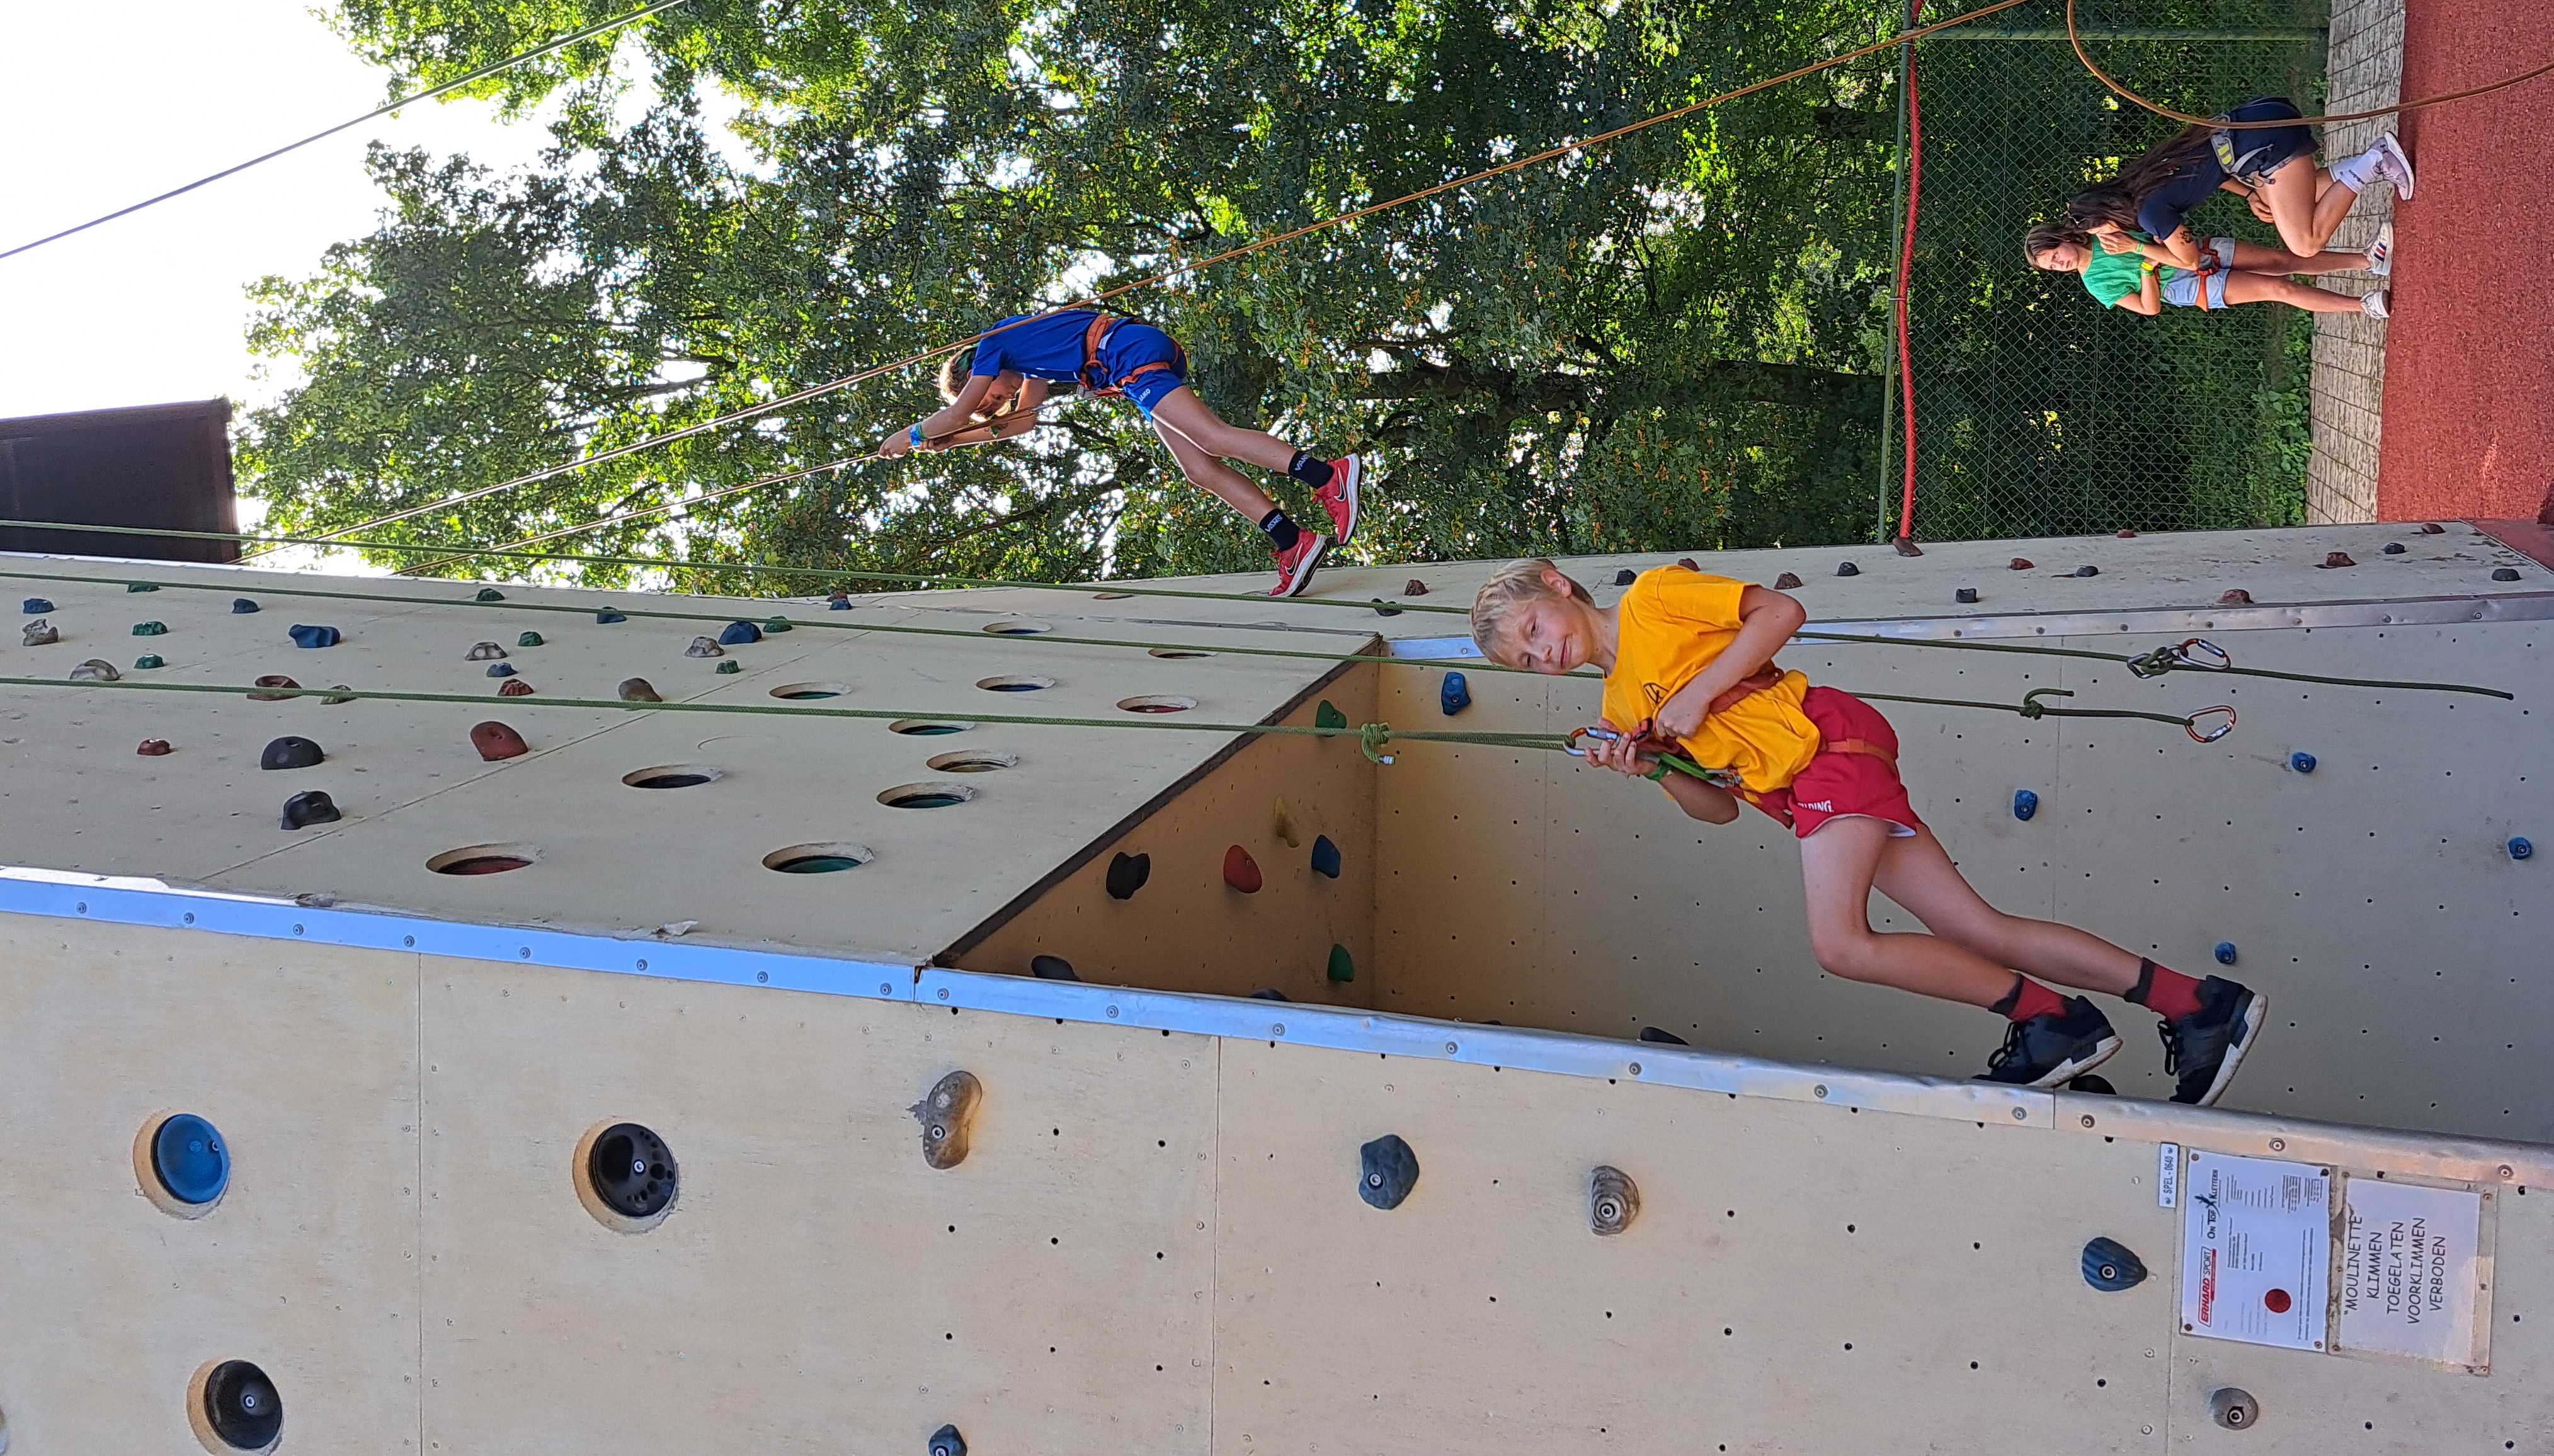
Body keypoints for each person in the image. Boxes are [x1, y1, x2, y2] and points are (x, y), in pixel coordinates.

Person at [1469, 559, 2271, 1103]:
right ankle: (2198, 1005)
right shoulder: (1617, 716)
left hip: (1826, 745)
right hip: (1802, 792)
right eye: (1528, 663)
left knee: (1841, 945)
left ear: (1556, 584)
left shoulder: (1650, 599)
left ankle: (2051, 1022)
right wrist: (1650, 769)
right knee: (1977, 927)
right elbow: (1713, 809)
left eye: (1534, 631)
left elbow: (1781, 611)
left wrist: (1699, 694)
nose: (1544, 654)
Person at [882, 305, 1363, 597]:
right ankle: (1291, 540)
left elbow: (958, 414)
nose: (1000, 400)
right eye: (996, 401)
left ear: (973, 374)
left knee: (1212, 435)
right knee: (1198, 465)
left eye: (990, 395)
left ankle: (1327, 477)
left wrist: (913, 437)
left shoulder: (990, 346)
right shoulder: (1024, 363)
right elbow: (1021, 424)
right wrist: (950, 442)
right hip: (1125, 363)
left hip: (1124, 352)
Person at [2065, 97, 2412, 268]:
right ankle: (2374, 166)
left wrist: (2136, 248)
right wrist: (2248, 192)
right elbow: (2203, 176)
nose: (2106, 237)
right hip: (2259, 119)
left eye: (2100, 231)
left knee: (2304, 245)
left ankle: (2374, 160)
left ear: (2107, 215)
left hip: (2266, 144)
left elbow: (2189, 260)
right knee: (2278, 207)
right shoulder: (2142, 178)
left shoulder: (2149, 215)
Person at [2027, 221, 2392, 320]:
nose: (2060, 263)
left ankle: (2367, 261)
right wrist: (2146, 270)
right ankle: (2364, 306)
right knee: (2281, 290)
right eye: (2052, 267)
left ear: (2061, 239)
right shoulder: (2095, 283)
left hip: (2194, 251)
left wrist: (2144, 248)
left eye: (2054, 254)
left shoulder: (2102, 229)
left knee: (2282, 261)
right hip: (2181, 285)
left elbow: (2149, 225)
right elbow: (2149, 308)